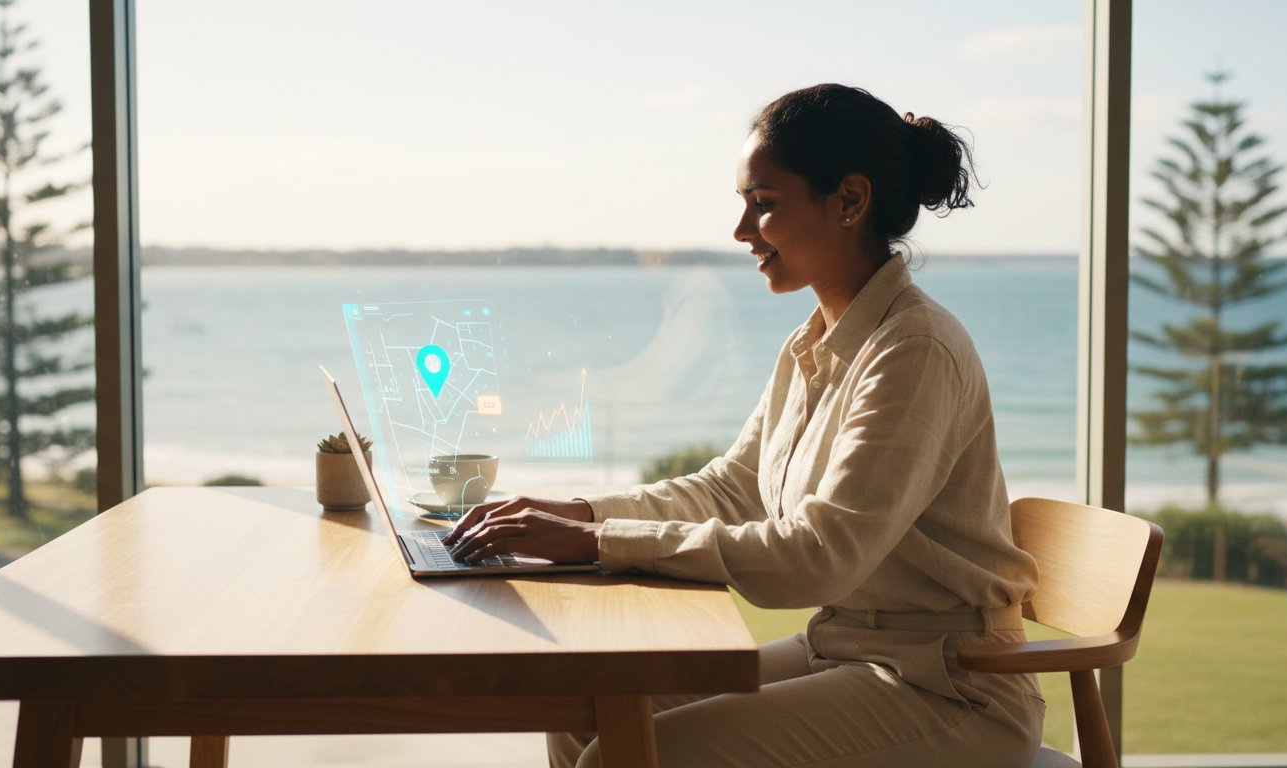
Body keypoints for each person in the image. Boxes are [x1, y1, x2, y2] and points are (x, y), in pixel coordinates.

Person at [444, 83, 1044, 768]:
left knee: (620, 758)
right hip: (841, 649)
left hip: (947, 687)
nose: (740, 232)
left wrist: (597, 541)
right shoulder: (814, 344)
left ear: (849, 201)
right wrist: (575, 514)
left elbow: (817, 556)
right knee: (586, 707)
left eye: (763, 205)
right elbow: (733, 488)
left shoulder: (914, 351)